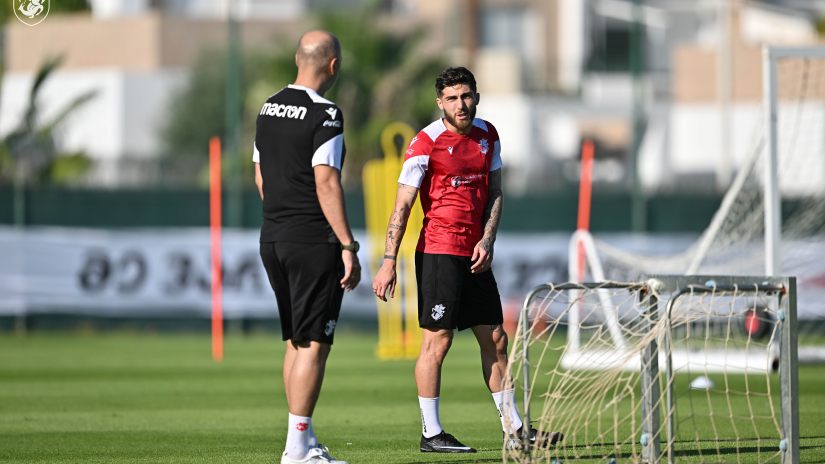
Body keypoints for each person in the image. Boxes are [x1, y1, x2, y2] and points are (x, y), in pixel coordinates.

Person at [371, 66, 562, 453]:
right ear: (440, 102)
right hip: (439, 253)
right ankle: (431, 433)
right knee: (437, 342)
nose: (461, 104)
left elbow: (495, 193)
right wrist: (389, 260)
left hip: (476, 255)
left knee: (496, 339)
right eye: (452, 98)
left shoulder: (488, 136)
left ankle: (514, 430)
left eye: (466, 96)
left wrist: (487, 240)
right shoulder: (425, 143)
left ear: (476, 96)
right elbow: (402, 206)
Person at [253, 30, 360, 464]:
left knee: (296, 342)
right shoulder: (326, 113)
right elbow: (326, 182)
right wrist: (347, 244)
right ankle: (297, 450)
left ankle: (303, 441)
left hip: (273, 237)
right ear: (333, 65)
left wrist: (283, 215)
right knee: (314, 343)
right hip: (312, 240)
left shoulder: (268, 107)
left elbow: (261, 176)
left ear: (298, 59)